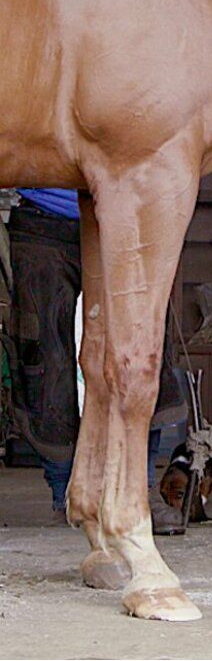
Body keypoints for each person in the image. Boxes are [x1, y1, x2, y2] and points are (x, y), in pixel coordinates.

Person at [4, 187, 187, 532]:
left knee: (144, 354)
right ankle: (66, 495)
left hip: (126, 217)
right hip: (43, 218)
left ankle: (139, 492)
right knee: (43, 359)